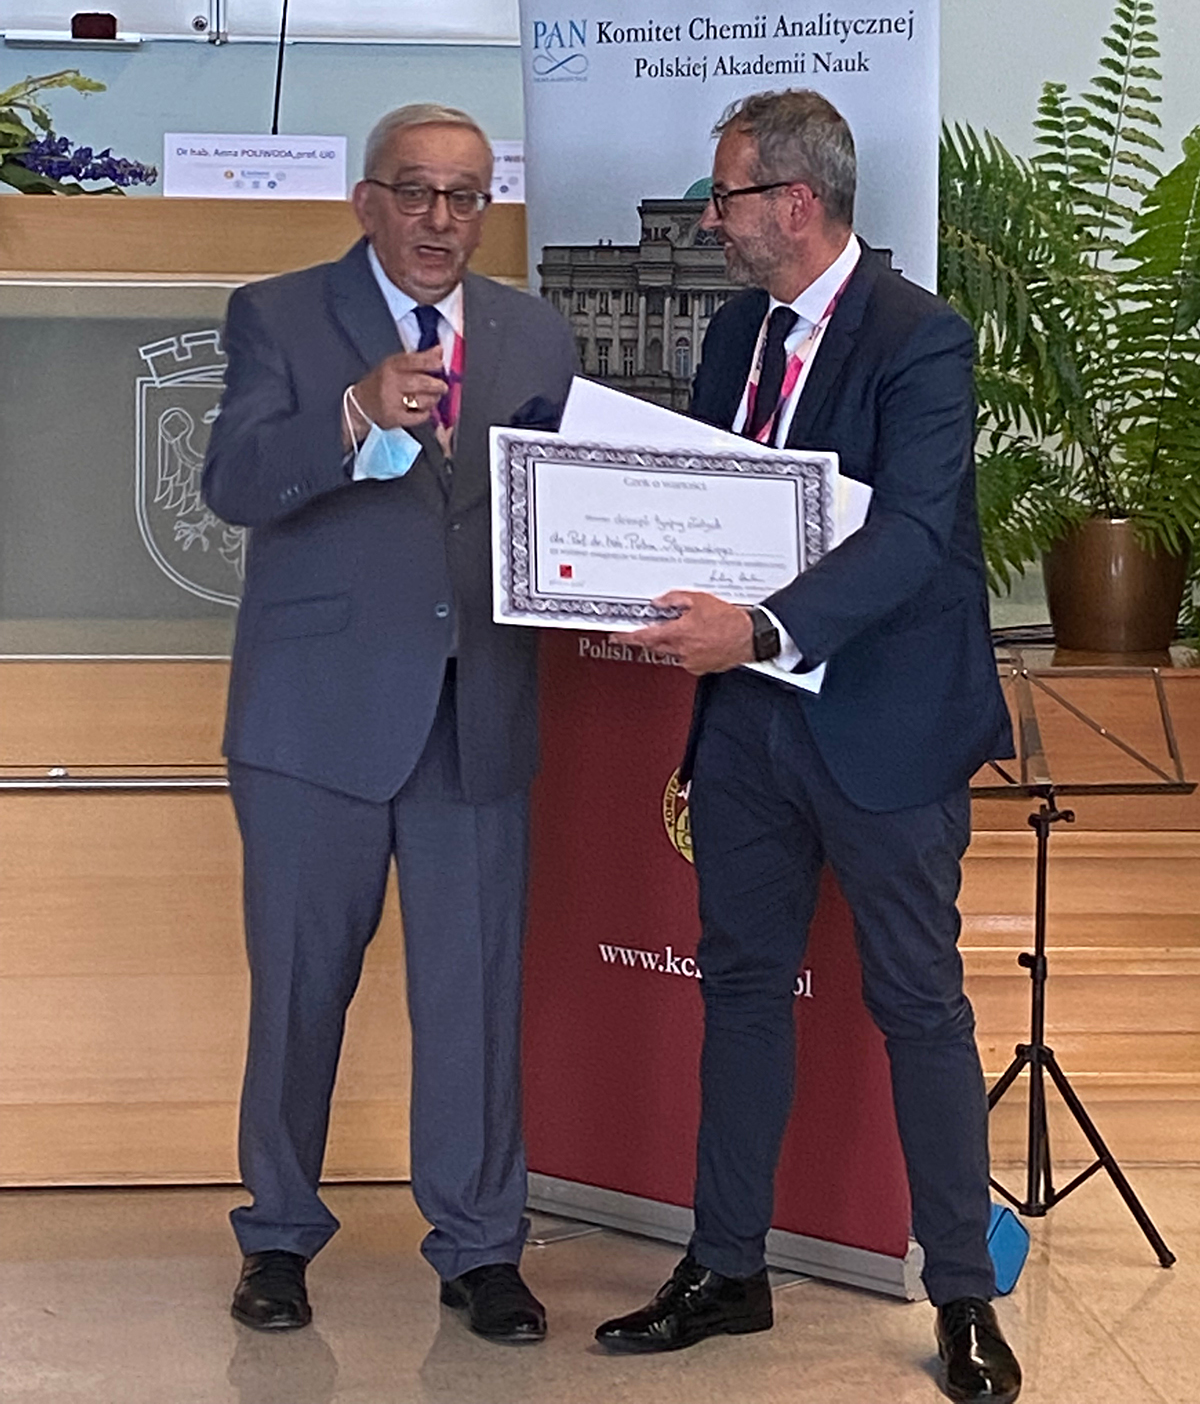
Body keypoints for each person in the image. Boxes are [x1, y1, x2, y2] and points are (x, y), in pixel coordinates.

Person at [593, 90, 1022, 1404]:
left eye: (725, 198)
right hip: (747, 728)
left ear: (794, 201)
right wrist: (623, 580)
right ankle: (728, 1266)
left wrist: (764, 627)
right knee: (739, 991)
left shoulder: (920, 336)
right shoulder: (735, 334)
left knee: (919, 1006)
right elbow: (704, 505)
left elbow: (914, 537)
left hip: (884, 725)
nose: (709, 222)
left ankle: (962, 1294)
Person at [202, 103, 576, 1343]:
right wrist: (355, 410)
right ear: (366, 201)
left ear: (487, 211)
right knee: (300, 989)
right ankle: (278, 1235)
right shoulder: (279, 316)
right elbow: (234, 483)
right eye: (414, 191)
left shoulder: (533, 332)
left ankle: (481, 1250)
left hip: (479, 713)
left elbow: (556, 514)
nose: (438, 218)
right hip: (315, 720)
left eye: (464, 196)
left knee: (476, 998)